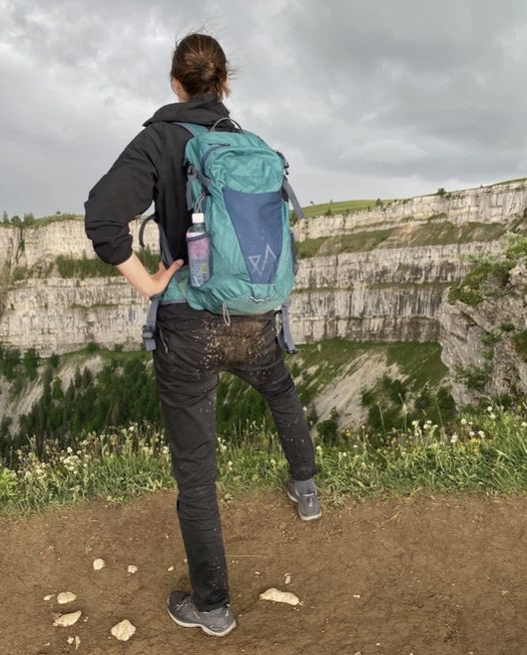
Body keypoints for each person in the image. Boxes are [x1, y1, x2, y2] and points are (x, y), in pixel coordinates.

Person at [84, 32, 320, 637]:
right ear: (224, 84)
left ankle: (211, 604)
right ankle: (307, 487)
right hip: (257, 318)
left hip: (191, 324)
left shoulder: (160, 139)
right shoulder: (249, 144)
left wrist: (149, 284)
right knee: (279, 387)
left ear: (175, 83)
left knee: (196, 469)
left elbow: (103, 216)